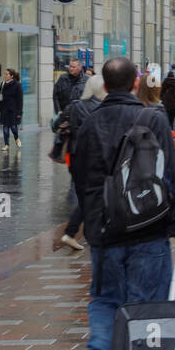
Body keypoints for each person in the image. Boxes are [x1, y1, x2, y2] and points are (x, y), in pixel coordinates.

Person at [71, 56, 175, 350]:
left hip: (105, 233)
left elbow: (81, 180)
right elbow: (170, 175)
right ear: (135, 84)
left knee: (106, 300)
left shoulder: (89, 124)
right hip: (148, 228)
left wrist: (90, 225)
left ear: (105, 86)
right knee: (147, 304)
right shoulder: (153, 118)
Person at [59, 74, 105, 252]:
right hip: (94, 157)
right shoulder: (101, 107)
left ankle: (83, 233)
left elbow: (57, 124)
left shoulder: (75, 106)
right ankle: (74, 233)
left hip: (76, 157)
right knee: (93, 197)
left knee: (85, 196)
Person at [0, 68, 24, 150]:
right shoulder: (2, 84)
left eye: (7, 74)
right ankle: (6, 145)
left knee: (13, 127)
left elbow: (20, 100)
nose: (5, 76)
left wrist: (19, 112)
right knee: (5, 128)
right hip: (4, 110)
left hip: (13, 110)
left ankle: (16, 138)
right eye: (5, 74)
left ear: (12, 76)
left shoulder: (17, 85)